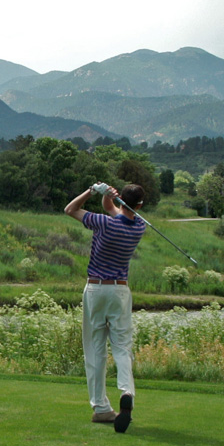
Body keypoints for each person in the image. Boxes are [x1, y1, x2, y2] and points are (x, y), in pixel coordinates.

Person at [64, 183, 147, 433]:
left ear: (123, 199)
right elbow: (115, 210)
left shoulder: (103, 223)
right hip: (120, 291)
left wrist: (92, 191)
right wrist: (112, 199)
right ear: (140, 205)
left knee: (95, 349)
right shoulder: (140, 225)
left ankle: (101, 408)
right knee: (122, 347)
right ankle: (127, 391)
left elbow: (70, 209)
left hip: (96, 289)